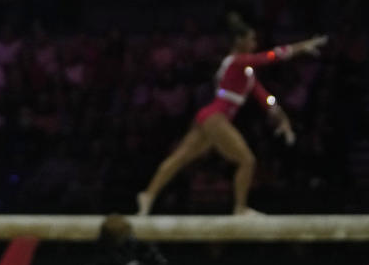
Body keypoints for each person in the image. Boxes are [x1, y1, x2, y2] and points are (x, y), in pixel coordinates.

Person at [137, 14, 327, 215]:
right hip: (215, 118)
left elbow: (266, 98)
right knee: (247, 161)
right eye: (252, 39)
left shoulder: (247, 72)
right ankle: (240, 208)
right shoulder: (235, 61)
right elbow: (270, 57)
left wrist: (283, 119)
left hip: (209, 118)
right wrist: (302, 46)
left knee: (180, 158)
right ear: (239, 41)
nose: (255, 43)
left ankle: (148, 195)